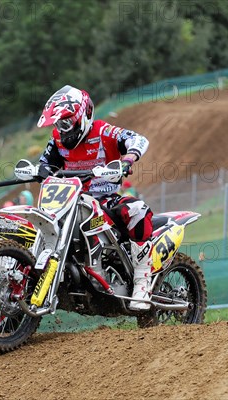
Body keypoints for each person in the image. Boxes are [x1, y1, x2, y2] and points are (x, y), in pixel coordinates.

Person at [37, 85, 153, 310]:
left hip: (104, 198)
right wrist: (40, 170)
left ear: (83, 116)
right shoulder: (58, 139)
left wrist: (127, 160)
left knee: (136, 210)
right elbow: (46, 163)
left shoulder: (103, 131)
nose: (62, 129)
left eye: (66, 122)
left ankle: (142, 281)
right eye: (58, 124)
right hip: (70, 200)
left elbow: (138, 140)